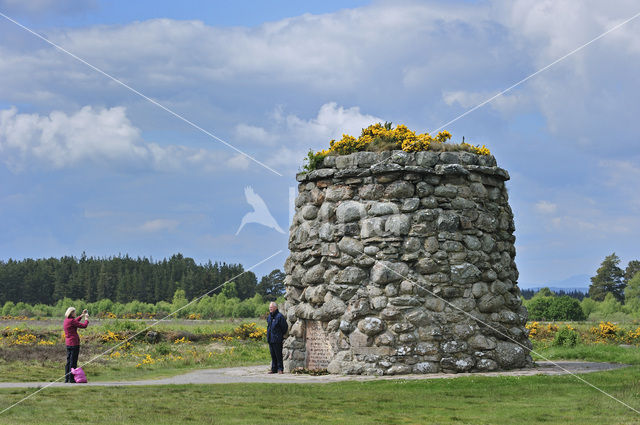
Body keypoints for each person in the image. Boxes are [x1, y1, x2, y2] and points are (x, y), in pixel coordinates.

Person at [64, 307, 89, 383]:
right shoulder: (71, 321)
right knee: (73, 361)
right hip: (74, 343)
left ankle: (67, 378)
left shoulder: (66, 320)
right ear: (71, 313)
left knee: (68, 361)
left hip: (68, 343)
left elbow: (75, 321)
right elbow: (84, 326)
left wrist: (82, 315)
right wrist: (86, 319)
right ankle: (71, 379)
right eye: (74, 312)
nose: (75, 313)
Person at [266, 302, 288, 374]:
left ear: (275, 308)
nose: (270, 309)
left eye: (271, 307)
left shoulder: (280, 316)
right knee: (273, 355)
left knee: (278, 355)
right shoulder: (269, 316)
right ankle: (273, 369)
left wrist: (279, 335)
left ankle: (280, 369)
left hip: (277, 339)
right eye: (270, 308)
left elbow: (284, 327)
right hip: (270, 339)